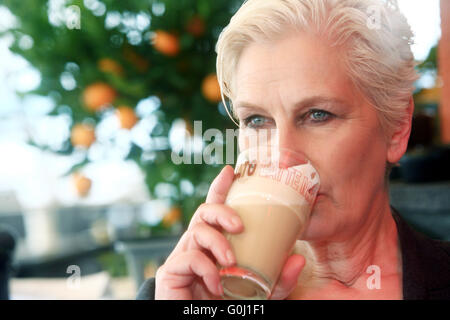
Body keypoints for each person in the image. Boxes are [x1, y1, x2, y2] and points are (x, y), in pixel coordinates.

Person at [137, 0, 450, 300]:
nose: (281, 156)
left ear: (397, 128)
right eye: (257, 120)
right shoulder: (174, 294)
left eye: (318, 115)